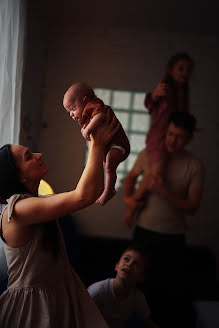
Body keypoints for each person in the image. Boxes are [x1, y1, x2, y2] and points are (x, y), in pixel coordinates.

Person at [0, 110, 120, 328]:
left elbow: (91, 191)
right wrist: (96, 144)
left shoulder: (39, 202)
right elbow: (83, 196)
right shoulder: (19, 209)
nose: (39, 155)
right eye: (29, 156)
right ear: (19, 176)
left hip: (59, 294)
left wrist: (99, 145)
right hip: (32, 306)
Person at [123, 111, 204, 328]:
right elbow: (129, 181)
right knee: (138, 289)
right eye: (169, 134)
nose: (172, 140)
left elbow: (193, 207)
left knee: (168, 293)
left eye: (179, 136)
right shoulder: (148, 155)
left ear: (188, 139)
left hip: (173, 238)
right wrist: (129, 201)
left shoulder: (194, 165)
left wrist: (163, 191)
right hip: (144, 232)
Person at [124, 53, 194, 223]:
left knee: (156, 173)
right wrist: (154, 95)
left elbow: (181, 117)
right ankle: (133, 206)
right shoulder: (166, 87)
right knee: (155, 174)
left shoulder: (182, 92)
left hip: (163, 137)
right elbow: (150, 103)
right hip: (158, 137)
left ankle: (134, 204)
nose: (185, 73)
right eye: (181, 68)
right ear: (171, 70)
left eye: (188, 70)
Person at [63, 82, 130, 206]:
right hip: (110, 146)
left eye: (72, 108)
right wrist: (85, 128)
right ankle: (107, 189)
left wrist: (87, 129)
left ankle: (109, 189)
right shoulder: (88, 114)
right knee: (104, 166)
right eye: (69, 112)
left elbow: (100, 116)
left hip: (118, 145)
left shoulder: (93, 105)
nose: (71, 114)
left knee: (109, 166)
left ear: (86, 100)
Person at [87, 245, 159, 328]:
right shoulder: (98, 291)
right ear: (117, 266)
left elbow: (148, 323)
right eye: (126, 259)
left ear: (141, 277)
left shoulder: (137, 297)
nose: (129, 264)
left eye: (136, 264)